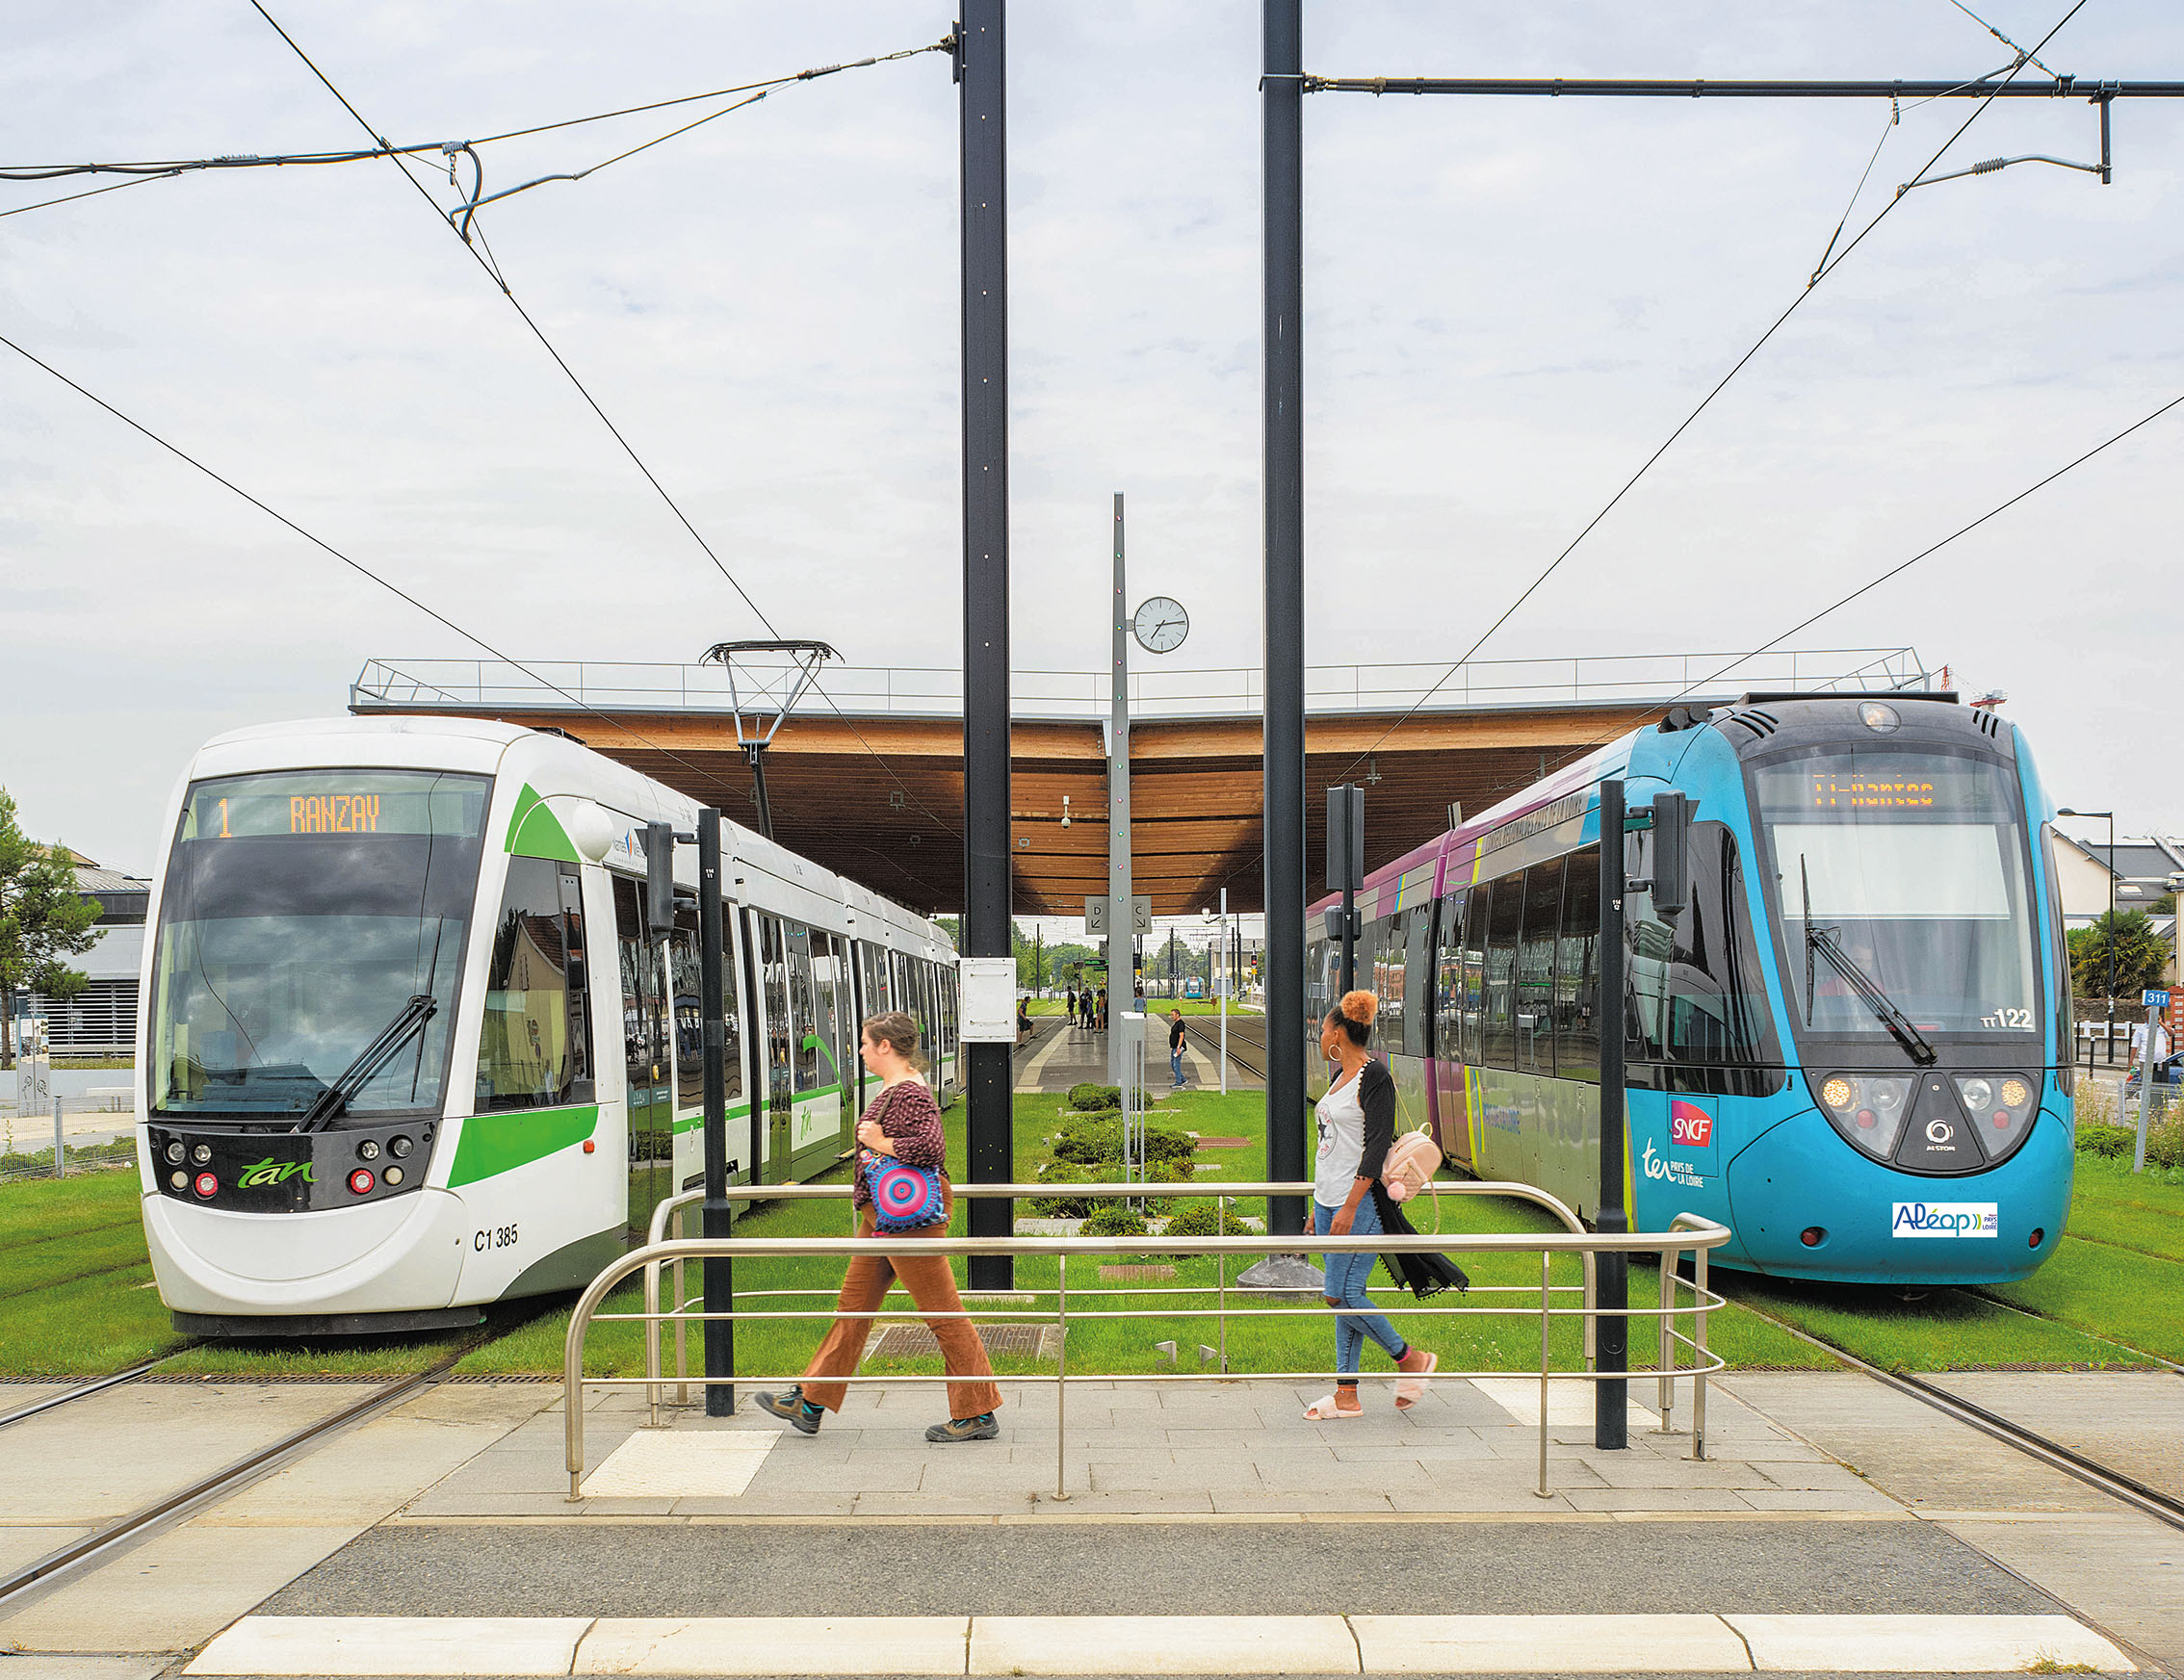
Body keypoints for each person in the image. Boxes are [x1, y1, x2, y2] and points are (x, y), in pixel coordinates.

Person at [755, 1013, 1002, 1442]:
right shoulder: (895, 1088)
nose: (862, 1051)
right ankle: (810, 1400)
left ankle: (977, 1411)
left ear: (886, 1045)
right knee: (854, 1309)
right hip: (882, 1218)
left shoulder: (909, 1092)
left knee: (942, 1314)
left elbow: (930, 1147)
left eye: (867, 1044)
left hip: (908, 1220)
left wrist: (878, 1142)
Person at [1303, 990, 1443, 1421]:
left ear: (1340, 1033)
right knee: (1345, 1296)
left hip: (1359, 1205)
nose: (1320, 1032)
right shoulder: (1337, 1078)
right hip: (1329, 1200)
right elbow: (1332, 1145)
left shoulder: (1373, 1076)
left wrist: (1348, 1207)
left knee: (1341, 1295)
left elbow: (1375, 1142)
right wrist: (1318, 1207)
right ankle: (1346, 1395)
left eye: (1325, 1027)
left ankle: (1411, 1359)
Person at [1168, 1008, 1187, 1091]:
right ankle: (1182, 1079)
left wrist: (1178, 1047)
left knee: (1176, 1064)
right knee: (1173, 1064)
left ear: (1177, 1015)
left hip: (1178, 1047)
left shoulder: (1180, 1024)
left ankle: (1179, 1082)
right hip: (1174, 1047)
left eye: (1173, 1014)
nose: (1171, 1016)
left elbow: (1181, 1036)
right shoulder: (1176, 1023)